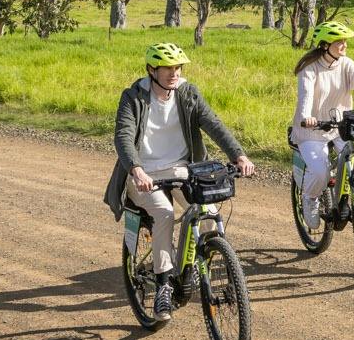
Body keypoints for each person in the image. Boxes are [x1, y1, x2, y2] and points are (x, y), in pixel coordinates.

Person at [105, 42, 254, 324]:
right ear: (152, 70)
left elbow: (214, 124)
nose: (174, 73)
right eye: (167, 68)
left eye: (177, 68)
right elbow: (123, 136)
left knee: (208, 211)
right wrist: (136, 170)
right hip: (145, 174)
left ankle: (198, 262)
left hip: (182, 168)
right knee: (163, 213)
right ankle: (163, 284)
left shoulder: (187, 93)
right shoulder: (134, 97)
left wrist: (239, 155)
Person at [289, 20, 354, 233]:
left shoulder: (347, 64)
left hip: (341, 126)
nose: (344, 45)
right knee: (321, 172)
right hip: (312, 130)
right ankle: (310, 199)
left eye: (345, 41)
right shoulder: (309, 69)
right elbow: (306, 95)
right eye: (340, 42)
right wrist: (305, 116)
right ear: (325, 45)